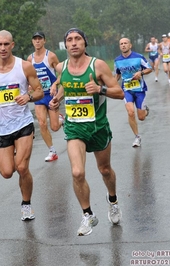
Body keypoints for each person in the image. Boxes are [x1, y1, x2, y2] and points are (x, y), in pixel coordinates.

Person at [49, 28, 124, 236]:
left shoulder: (97, 65)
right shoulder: (61, 67)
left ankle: (113, 200)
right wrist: (58, 99)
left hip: (98, 127)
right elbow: (65, 86)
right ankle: (88, 215)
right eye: (69, 40)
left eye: (78, 39)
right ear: (66, 45)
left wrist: (100, 89)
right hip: (75, 127)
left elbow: (120, 92)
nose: (73, 43)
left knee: (105, 170)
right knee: (77, 172)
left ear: (85, 43)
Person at [0, 30, 43, 221]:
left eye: (7, 44)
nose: (3, 48)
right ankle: (16, 155)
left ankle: (26, 204)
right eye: (0, 44)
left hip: (22, 124)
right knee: (7, 172)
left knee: (21, 168)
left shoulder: (25, 66)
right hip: (0, 127)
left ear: (12, 45)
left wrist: (28, 96)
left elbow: (39, 92)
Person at [27, 31, 63, 162]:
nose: (37, 41)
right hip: (39, 96)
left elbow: (61, 73)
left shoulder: (51, 56)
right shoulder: (29, 59)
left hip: (52, 95)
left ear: (44, 41)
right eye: (35, 39)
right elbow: (29, 77)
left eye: (39, 39)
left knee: (54, 127)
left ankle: (61, 120)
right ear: (32, 42)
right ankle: (52, 151)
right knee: (42, 123)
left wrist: (55, 84)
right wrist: (30, 86)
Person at [114, 38, 152, 147]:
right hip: (127, 90)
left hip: (139, 90)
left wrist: (140, 72)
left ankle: (145, 110)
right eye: (121, 44)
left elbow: (149, 68)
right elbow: (117, 74)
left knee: (141, 117)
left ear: (130, 45)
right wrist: (111, 84)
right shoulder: (117, 60)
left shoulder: (138, 57)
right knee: (130, 112)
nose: (123, 45)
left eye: (125, 43)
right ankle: (137, 137)